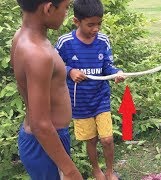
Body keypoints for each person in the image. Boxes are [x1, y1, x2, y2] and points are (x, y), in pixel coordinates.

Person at [10, 0, 83, 179]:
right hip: (45, 141)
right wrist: (70, 170)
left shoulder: (22, 36)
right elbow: (40, 124)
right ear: (49, 8)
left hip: (46, 139)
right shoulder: (37, 53)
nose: (66, 13)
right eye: (66, 7)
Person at [55, 0, 124, 179]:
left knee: (107, 139)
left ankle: (109, 171)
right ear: (76, 21)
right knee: (91, 140)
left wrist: (116, 73)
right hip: (79, 102)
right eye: (91, 24)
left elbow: (108, 65)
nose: (96, 29)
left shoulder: (103, 40)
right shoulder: (65, 42)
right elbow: (54, 66)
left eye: (99, 24)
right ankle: (96, 170)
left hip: (100, 98)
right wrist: (70, 71)